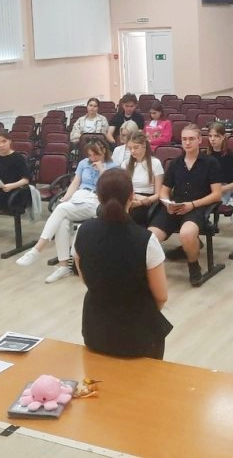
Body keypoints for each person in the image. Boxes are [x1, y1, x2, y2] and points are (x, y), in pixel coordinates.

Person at [73, 168, 172, 359]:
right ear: (132, 196)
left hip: (95, 330)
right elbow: (161, 296)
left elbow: (85, 278)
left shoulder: (83, 231)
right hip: (138, 336)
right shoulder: (146, 240)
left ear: (98, 197)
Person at [16, 139, 117, 283]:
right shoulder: (84, 163)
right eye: (90, 155)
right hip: (80, 197)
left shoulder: (114, 166)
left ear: (104, 151)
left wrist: (101, 169)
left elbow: (111, 188)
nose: (92, 158)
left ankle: (37, 249)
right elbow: (75, 183)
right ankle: (63, 266)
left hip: (97, 201)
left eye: (96, 154)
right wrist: (66, 197)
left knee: (61, 209)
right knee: (62, 221)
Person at [148, 124, 222, 286]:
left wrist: (192, 204)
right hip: (175, 206)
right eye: (184, 139)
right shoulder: (175, 163)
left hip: (197, 206)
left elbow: (217, 194)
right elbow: (164, 190)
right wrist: (167, 203)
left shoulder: (210, 163)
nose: (187, 143)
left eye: (191, 139)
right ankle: (151, 270)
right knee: (150, 237)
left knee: (187, 234)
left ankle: (193, 266)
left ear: (199, 140)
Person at [124, 131, 164, 227]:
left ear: (144, 146)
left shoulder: (155, 163)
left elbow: (158, 194)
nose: (132, 151)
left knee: (134, 215)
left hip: (147, 199)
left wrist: (140, 202)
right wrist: (134, 198)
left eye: (136, 147)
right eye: (130, 148)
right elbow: (124, 188)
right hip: (130, 197)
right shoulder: (125, 164)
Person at [206, 122, 233, 205]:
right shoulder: (205, 155)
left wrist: (222, 188)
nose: (212, 139)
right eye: (210, 136)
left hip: (224, 189)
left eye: (216, 136)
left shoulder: (230, 155)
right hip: (208, 188)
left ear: (223, 137)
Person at [0, 130, 30, 211]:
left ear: (10, 141)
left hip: (14, 192)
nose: (1, 145)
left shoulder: (18, 158)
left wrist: (12, 186)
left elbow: (26, 180)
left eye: (4, 141)